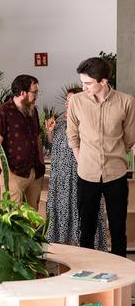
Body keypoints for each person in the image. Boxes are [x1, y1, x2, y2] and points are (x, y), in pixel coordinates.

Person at [67, 57, 135, 257]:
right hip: (86, 174)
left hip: (116, 175)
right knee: (86, 230)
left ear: (104, 81)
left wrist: (116, 156)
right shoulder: (76, 102)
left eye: (88, 83)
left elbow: (129, 138)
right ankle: (87, 270)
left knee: (118, 229)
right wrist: (82, 161)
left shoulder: (126, 102)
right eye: (82, 82)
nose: (83, 87)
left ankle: (120, 272)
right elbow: (73, 136)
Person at [45, 87, 107, 250]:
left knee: (80, 207)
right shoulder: (60, 120)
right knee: (62, 206)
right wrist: (50, 132)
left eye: (71, 99)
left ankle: (82, 245)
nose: (67, 103)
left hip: (79, 173)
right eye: (67, 100)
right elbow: (52, 143)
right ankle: (62, 242)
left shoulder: (87, 118)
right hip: (60, 175)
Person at [0, 74, 45, 209]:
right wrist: (6, 172)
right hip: (13, 173)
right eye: (34, 92)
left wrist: (41, 162)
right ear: (22, 93)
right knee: (12, 215)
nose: (36, 96)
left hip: (35, 171)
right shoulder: (3, 112)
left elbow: (37, 138)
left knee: (32, 215)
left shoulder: (33, 111)